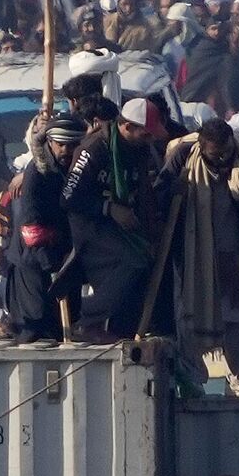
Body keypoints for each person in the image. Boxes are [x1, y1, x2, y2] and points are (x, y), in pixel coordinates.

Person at [161, 119, 239, 396]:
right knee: (189, 314)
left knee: (238, 316)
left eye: (225, 153)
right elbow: (159, 191)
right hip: (191, 252)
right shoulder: (183, 155)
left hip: (231, 252)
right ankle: (193, 377)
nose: (222, 160)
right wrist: (175, 189)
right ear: (201, 145)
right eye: (214, 155)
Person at [62, 97, 160, 342]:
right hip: (90, 225)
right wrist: (109, 208)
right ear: (127, 127)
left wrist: (152, 232)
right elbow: (68, 198)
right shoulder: (93, 149)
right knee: (130, 262)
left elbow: (145, 194)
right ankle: (87, 318)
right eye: (146, 134)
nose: (150, 140)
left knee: (147, 262)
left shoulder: (141, 150)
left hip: (122, 226)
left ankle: (121, 329)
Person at [7, 116, 80, 343]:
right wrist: (50, 265)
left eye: (71, 145)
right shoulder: (36, 174)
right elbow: (31, 224)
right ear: (50, 143)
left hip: (64, 256)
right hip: (33, 258)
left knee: (63, 326)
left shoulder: (75, 170)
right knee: (34, 325)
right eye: (61, 144)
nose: (66, 150)